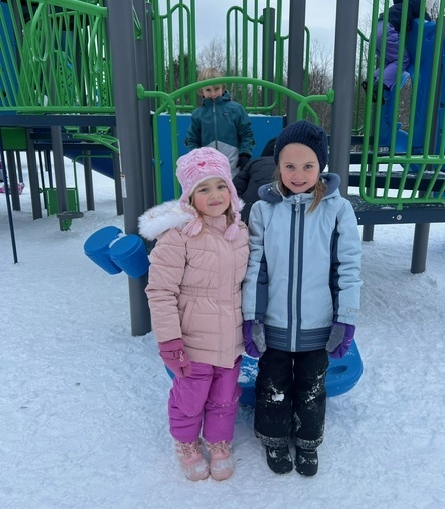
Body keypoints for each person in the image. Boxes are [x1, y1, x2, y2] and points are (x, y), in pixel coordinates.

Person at [241, 120, 362, 477]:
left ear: (320, 166)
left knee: (312, 384)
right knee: (273, 382)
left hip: (318, 321)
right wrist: (253, 316)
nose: (298, 174)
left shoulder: (337, 209)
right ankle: (274, 437)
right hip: (275, 320)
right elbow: (256, 267)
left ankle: (308, 441)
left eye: (308, 166)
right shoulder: (264, 210)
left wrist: (346, 317)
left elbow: (348, 266)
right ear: (278, 165)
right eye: (289, 165)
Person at [138, 147, 249, 482]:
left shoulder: (240, 232)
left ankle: (218, 442)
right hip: (192, 339)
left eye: (220, 186)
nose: (215, 195)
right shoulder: (177, 237)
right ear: (189, 197)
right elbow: (160, 291)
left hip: (230, 338)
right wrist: (170, 340)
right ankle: (186, 443)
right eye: (203, 188)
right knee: (191, 396)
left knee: (225, 396)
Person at [363, 0, 433, 103]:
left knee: (391, 62)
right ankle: (379, 86)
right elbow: (426, 20)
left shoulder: (399, 5)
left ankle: (372, 80)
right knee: (402, 60)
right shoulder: (417, 2)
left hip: (375, 31)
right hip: (387, 30)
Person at [185, 67, 255, 178]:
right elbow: (192, 139)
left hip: (233, 164)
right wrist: (196, 157)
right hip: (207, 166)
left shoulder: (235, 109)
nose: (213, 94)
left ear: (222, 88)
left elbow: (246, 133)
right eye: (208, 90)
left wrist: (245, 154)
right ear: (201, 90)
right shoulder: (198, 114)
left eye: (216, 89)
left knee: (233, 191)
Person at [233, 137, 277, 224]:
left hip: (249, 209)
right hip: (277, 213)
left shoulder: (254, 163)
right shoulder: (289, 168)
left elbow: (235, 189)